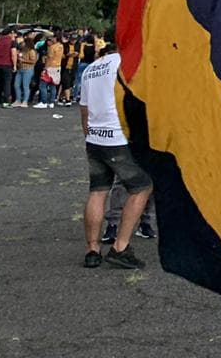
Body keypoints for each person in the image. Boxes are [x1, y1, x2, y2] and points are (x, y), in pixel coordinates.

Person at [79, 38, 153, 269]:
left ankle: (92, 249)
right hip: (118, 137)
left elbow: (84, 108)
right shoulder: (126, 65)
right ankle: (120, 247)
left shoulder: (91, 69)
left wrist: (89, 135)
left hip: (95, 138)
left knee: (98, 191)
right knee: (142, 187)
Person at [14, 36, 38, 107]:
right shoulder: (22, 50)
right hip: (20, 69)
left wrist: (23, 60)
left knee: (25, 86)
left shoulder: (32, 51)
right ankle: (18, 100)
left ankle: (25, 101)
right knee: (16, 85)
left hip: (28, 70)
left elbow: (33, 61)